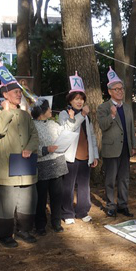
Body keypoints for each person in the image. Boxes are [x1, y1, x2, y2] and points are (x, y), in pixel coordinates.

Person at [0, 73, 40, 247]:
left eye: (20, 92)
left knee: (27, 200)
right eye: (15, 92)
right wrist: (6, 111)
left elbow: (35, 135)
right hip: (6, 168)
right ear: (5, 95)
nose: (19, 94)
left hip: (26, 165)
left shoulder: (26, 115)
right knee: (5, 203)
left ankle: (24, 229)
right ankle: (4, 235)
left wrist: (30, 148)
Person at [59, 72, 99, 224]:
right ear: (70, 100)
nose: (80, 101)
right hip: (70, 156)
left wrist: (94, 155)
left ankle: (82, 211)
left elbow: (92, 136)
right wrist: (81, 115)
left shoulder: (86, 116)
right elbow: (67, 129)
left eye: (81, 99)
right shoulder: (64, 114)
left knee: (84, 185)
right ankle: (67, 212)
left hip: (85, 154)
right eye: (76, 99)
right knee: (68, 186)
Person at [97, 67, 136, 218]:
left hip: (125, 148)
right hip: (111, 149)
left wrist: (133, 145)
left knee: (124, 178)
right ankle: (110, 206)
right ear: (110, 91)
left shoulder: (127, 107)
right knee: (110, 179)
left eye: (121, 88)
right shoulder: (103, 107)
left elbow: (131, 127)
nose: (120, 91)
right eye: (116, 89)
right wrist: (112, 116)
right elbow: (103, 125)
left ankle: (122, 205)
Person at [32, 98, 68, 234]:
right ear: (42, 111)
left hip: (57, 163)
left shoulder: (53, 124)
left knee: (57, 196)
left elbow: (64, 134)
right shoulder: (32, 126)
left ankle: (56, 222)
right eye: (48, 108)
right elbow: (31, 145)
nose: (51, 110)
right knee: (41, 198)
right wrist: (46, 149)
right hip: (41, 165)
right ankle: (40, 225)